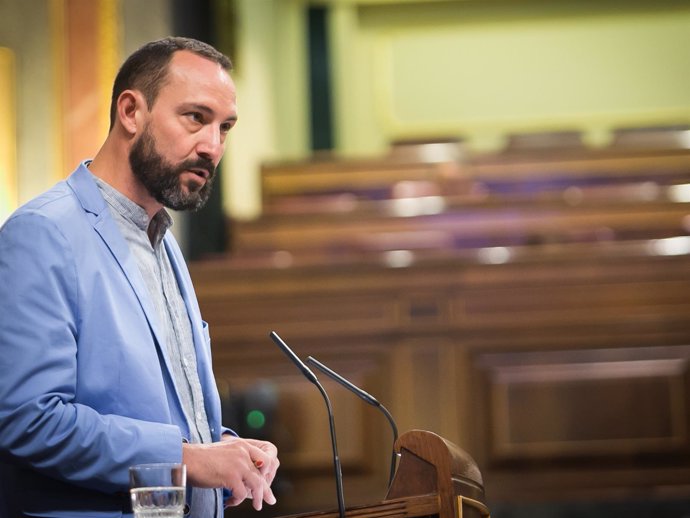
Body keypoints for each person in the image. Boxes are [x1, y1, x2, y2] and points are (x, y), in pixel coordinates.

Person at [0, 36, 279, 518]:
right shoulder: (43, 233)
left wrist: (228, 449)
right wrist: (187, 459)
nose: (213, 146)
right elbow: (28, 419)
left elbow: (162, 412)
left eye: (225, 127)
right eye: (196, 117)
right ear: (131, 111)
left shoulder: (164, 239)